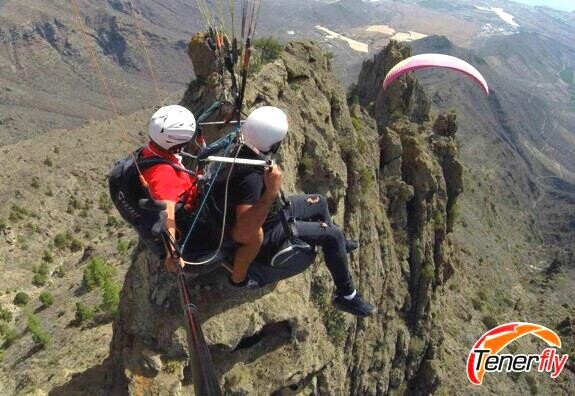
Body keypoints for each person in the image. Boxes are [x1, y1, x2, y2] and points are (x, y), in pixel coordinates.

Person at [197, 106, 376, 317]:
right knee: (332, 234)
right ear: (273, 144)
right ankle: (347, 296)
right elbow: (244, 233)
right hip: (264, 234)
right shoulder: (250, 177)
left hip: (270, 216)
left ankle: (338, 248)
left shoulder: (242, 148)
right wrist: (270, 192)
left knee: (318, 201)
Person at [138, 104, 198, 273]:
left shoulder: (152, 151)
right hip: (190, 219)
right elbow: (166, 210)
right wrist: (172, 253)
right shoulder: (162, 172)